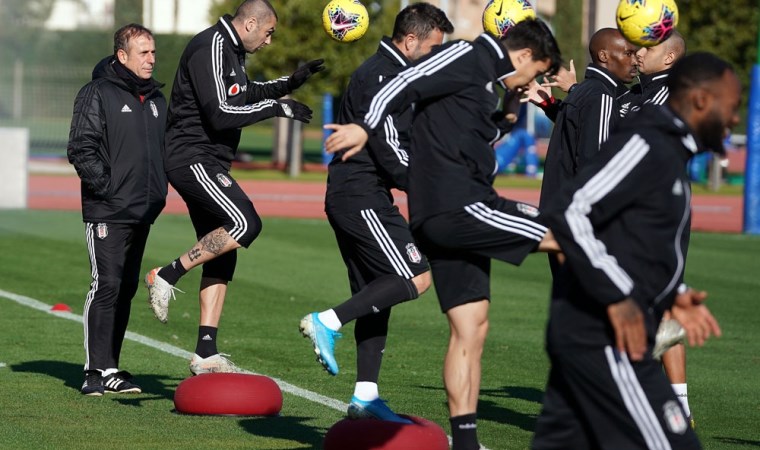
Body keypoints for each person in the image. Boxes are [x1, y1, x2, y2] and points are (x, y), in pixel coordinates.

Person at [324, 19, 562, 450]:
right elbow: (402, 83)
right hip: (459, 206)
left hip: (454, 209)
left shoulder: (486, 84)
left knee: (472, 328)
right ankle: (633, 323)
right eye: (536, 72)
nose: (534, 81)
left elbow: (475, 141)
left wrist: (509, 106)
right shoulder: (468, 54)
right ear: (525, 55)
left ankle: (465, 443)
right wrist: (365, 126)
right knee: (569, 232)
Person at [532, 52, 733, 449]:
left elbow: (639, 240)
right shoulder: (650, 142)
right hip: (605, 337)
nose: (736, 118)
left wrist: (673, 292)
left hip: (593, 331)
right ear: (700, 101)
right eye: (731, 105)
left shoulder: (671, 149)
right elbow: (569, 210)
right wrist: (619, 294)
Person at [144, 0, 322, 375]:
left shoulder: (232, 51)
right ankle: (167, 274)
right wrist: (278, 108)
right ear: (251, 22)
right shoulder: (211, 46)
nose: (270, 41)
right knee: (246, 224)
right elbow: (221, 113)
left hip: (208, 159)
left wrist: (288, 84)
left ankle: (205, 352)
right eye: (269, 32)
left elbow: (243, 94)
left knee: (223, 252)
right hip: (192, 156)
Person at [299, 3, 453, 424]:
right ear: (410, 41)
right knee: (413, 276)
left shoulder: (394, 73)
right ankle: (326, 320)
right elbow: (387, 146)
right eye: (433, 46)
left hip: (356, 193)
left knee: (375, 295)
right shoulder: (382, 76)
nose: (437, 54)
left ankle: (365, 396)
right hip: (361, 194)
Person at [67, 23, 167, 396]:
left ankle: (111, 367)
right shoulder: (97, 92)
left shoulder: (157, 99)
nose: (151, 59)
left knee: (125, 289)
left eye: (153, 52)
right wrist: (108, 189)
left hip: (143, 211)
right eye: (144, 52)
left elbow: (164, 152)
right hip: (107, 210)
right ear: (122, 56)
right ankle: (93, 370)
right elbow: (81, 147)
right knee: (105, 285)